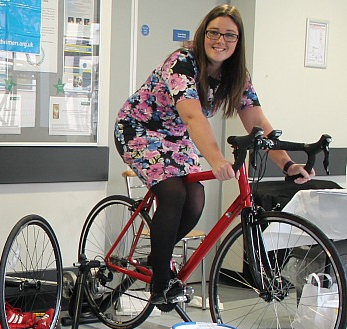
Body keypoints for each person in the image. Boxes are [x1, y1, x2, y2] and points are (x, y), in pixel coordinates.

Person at [113, 5, 314, 311]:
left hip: (175, 137)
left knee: (195, 199)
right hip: (138, 129)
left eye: (229, 35)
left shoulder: (237, 75)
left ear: (238, 40)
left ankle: (157, 256)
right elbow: (193, 116)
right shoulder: (182, 62)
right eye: (214, 32)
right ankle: (159, 282)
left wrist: (287, 163)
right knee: (173, 193)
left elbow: (258, 122)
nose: (220, 40)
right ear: (203, 33)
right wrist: (218, 159)